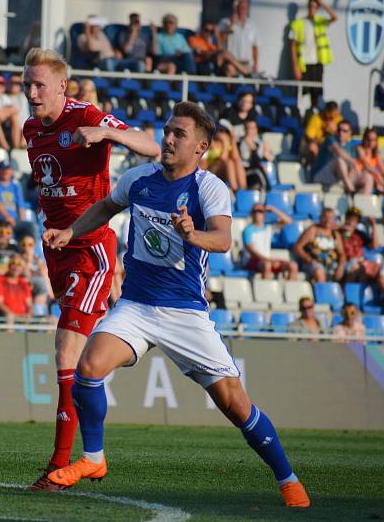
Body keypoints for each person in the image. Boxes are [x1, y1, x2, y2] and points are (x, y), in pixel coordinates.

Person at [41, 101, 309, 508]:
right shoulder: (140, 178)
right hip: (136, 305)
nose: (167, 139)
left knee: (236, 405)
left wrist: (192, 233)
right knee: (89, 367)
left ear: (200, 147)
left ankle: (288, 480)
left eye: (178, 134)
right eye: (167, 131)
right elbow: (106, 207)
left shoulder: (208, 187)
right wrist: (69, 230)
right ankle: (94, 459)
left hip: (184, 312)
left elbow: (222, 240)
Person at [21, 48, 160, 489]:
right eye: (27, 85)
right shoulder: (30, 129)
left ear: (62, 85)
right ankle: (130, 337)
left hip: (92, 249)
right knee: (77, 359)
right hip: (57, 249)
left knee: (64, 352)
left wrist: (104, 133)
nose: (31, 92)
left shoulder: (87, 115)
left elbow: (152, 146)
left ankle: (58, 467)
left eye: (39, 84)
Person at [289, 0, 337, 107]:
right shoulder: (298, 24)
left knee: (315, 93)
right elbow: (292, 46)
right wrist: (295, 66)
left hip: (317, 63)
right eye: (311, 6)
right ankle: (299, 115)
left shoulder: (320, 22)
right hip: (304, 64)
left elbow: (334, 17)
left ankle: (313, 113)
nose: (312, 9)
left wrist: (323, 4)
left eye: (315, 7)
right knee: (301, 92)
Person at [311, 120, 373, 195]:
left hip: (340, 177)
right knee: (339, 161)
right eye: (339, 130)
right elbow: (338, 151)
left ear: (350, 133)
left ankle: (362, 203)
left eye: (344, 131)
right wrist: (354, 163)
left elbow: (352, 168)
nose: (341, 133)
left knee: (368, 177)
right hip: (320, 175)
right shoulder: (330, 139)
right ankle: (350, 190)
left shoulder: (351, 147)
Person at [242, 203, 298, 280]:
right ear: (251, 214)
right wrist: (268, 260)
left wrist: (273, 209)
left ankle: (290, 291)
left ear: (264, 214)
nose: (257, 213)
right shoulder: (247, 230)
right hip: (251, 261)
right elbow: (252, 251)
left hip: (266, 260)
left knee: (293, 265)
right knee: (267, 265)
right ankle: (266, 291)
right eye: (254, 211)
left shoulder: (268, 228)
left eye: (260, 211)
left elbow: (288, 221)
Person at [293, 207, 345, 283]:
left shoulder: (335, 234)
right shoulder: (313, 230)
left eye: (330, 218)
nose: (328, 220)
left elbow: (342, 254)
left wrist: (341, 267)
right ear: (320, 218)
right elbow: (297, 247)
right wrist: (308, 259)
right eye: (325, 217)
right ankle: (323, 293)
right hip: (313, 264)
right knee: (319, 271)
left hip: (331, 264)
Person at [218, 0, 259, 76]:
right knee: (230, 74)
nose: (242, 10)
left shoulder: (252, 26)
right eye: (240, 7)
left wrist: (255, 64)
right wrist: (231, 24)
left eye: (244, 8)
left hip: (246, 63)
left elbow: (255, 47)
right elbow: (220, 41)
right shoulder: (225, 22)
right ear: (235, 9)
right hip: (231, 62)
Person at [202, 121, 246, 190]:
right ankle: (235, 190)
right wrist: (225, 143)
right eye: (221, 130)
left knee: (236, 162)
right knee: (228, 162)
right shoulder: (211, 144)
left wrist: (233, 140)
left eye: (226, 131)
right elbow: (223, 159)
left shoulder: (230, 144)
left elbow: (236, 158)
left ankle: (243, 189)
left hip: (225, 171)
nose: (223, 133)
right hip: (211, 171)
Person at [356, 127, 384, 195]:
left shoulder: (375, 153)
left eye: (374, 140)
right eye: (369, 139)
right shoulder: (360, 149)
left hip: (373, 175)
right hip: (362, 175)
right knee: (373, 179)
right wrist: (377, 175)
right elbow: (365, 165)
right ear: (364, 139)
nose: (371, 142)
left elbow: (383, 169)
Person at [340, 207, 379, 283]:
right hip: (345, 263)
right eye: (350, 218)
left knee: (376, 268)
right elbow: (346, 241)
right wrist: (346, 231)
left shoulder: (359, 234)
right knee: (356, 267)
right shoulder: (340, 231)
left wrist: (373, 225)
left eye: (355, 219)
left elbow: (375, 246)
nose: (351, 221)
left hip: (359, 262)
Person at [0, 252, 32, 322]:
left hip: (22, 317)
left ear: (22, 268)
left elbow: (29, 305)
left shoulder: (24, 283)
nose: (16, 267)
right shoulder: (0, 281)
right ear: (9, 266)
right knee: (9, 317)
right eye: (13, 263)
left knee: (51, 319)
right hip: (5, 316)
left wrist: (29, 314)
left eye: (19, 264)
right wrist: (14, 315)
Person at [0, 161, 26, 228]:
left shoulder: (16, 186)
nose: (6, 172)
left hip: (14, 220)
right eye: (3, 169)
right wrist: (7, 217)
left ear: (12, 171)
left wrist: (22, 223)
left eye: (8, 169)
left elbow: (21, 207)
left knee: (31, 227)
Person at [301, 100, 341, 166]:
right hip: (317, 144)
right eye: (329, 115)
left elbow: (344, 140)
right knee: (313, 147)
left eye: (333, 115)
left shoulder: (340, 120)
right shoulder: (317, 118)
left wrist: (335, 131)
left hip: (332, 146)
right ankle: (311, 170)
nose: (331, 118)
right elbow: (309, 137)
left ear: (337, 112)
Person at [19, 233, 53, 306]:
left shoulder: (38, 258)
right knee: (41, 282)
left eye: (29, 244)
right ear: (20, 245)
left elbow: (43, 271)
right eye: (24, 244)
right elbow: (26, 273)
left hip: (38, 282)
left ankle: (49, 295)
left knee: (44, 276)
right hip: (24, 281)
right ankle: (49, 297)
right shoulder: (19, 258)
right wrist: (28, 260)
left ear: (34, 245)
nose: (26, 247)